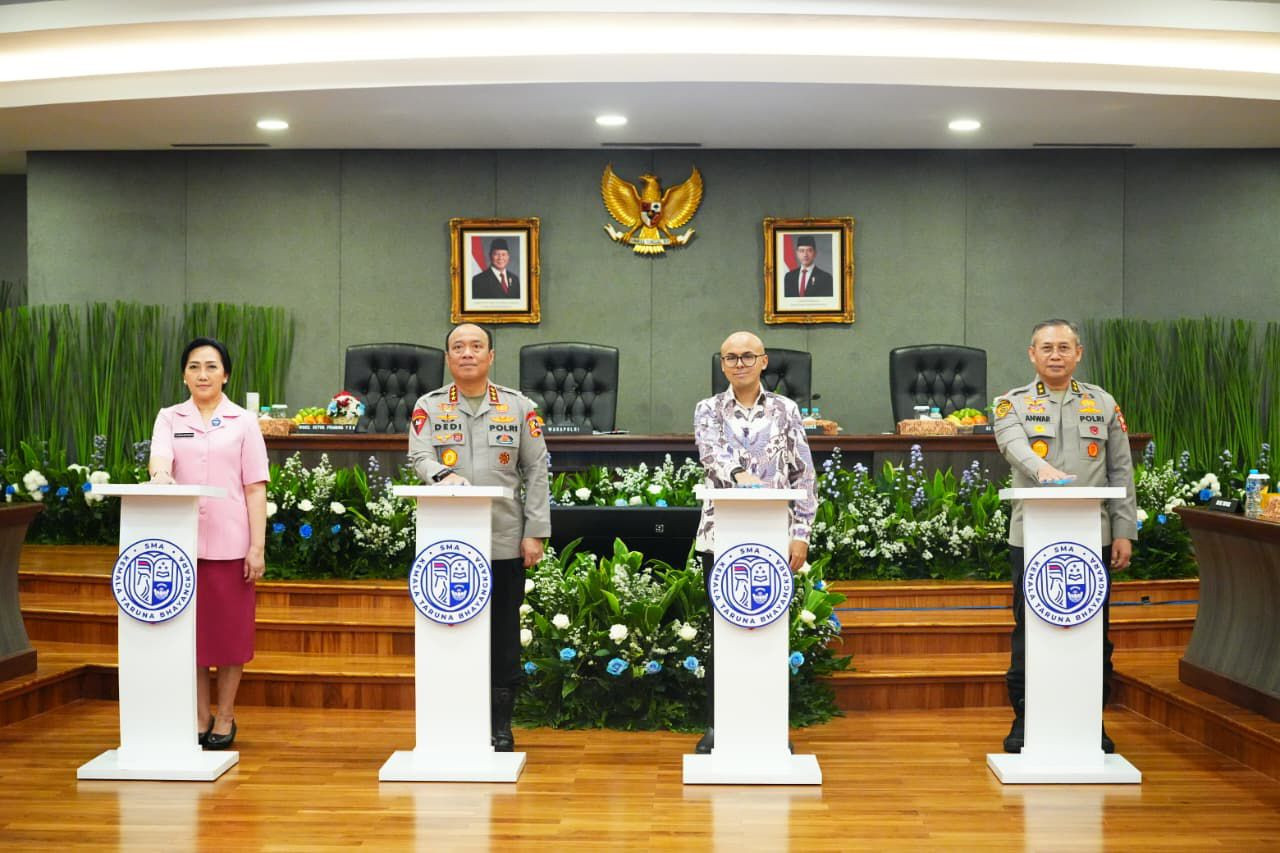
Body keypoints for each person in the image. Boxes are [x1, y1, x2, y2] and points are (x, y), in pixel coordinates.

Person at [994, 318, 1138, 755]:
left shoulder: (1103, 403)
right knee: (1030, 628)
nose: (1055, 355)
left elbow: (1121, 470)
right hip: (1032, 537)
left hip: (1091, 536)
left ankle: (1089, 720)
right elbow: (1013, 445)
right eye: (1047, 348)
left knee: (1094, 631)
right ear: (1031, 355)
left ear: (1079, 354)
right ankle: (1025, 719)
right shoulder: (1010, 404)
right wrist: (1044, 472)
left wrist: (1124, 530)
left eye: (1064, 347)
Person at [407, 323, 550, 751]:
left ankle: (500, 724)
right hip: (447, 544)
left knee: (503, 635)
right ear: (448, 359)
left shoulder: (519, 407)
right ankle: (452, 716)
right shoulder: (429, 407)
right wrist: (444, 476)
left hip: (503, 539)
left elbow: (537, 469)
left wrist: (535, 533)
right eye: (457, 347)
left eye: (476, 346)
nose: (467, 353)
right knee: (449, 628)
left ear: (491, 356)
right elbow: (418, 454)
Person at [691, 330, 817, 753]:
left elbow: (805, 473)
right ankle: (718, 726)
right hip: (719, 538)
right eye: (730, 358)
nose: (739, 364)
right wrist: (745, 480)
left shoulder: (786, 410)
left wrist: (800, 534)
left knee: (767, 631)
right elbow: (711, 455)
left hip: (774, 540)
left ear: (764, 361)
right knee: (723, 631)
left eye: (747, 356)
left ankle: (768, 725)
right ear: (722, 364)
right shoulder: (708, 409)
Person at [148, 336, 269, 751]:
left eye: (212, 366)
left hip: (232, 544)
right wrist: (161, 475)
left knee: (231, 637)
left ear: (226, 374)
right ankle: (200, 715)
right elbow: (160, 460)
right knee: (194, 637)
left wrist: (258, 547)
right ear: (184, 374)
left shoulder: (243, 421)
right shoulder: (169, 417)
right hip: (183, 547)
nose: (203, 374)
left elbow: (255, 488)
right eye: (195, 366)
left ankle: (227, 714)